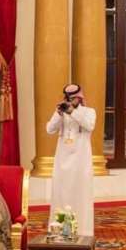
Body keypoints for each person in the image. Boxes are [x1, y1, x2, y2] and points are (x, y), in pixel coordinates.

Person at [47, 83, 96, 238]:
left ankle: (82, 230)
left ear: (80, 98)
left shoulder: (89, 112)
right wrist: (58, 114)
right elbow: (49, 129)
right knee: (61, 191)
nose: (70, 100)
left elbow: (89, 126)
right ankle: (60, 227)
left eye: (73, 98)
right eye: (68, 98)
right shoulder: (62, 112)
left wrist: (72, 112)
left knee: (80, 190)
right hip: (62, 158)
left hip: (81, 159)